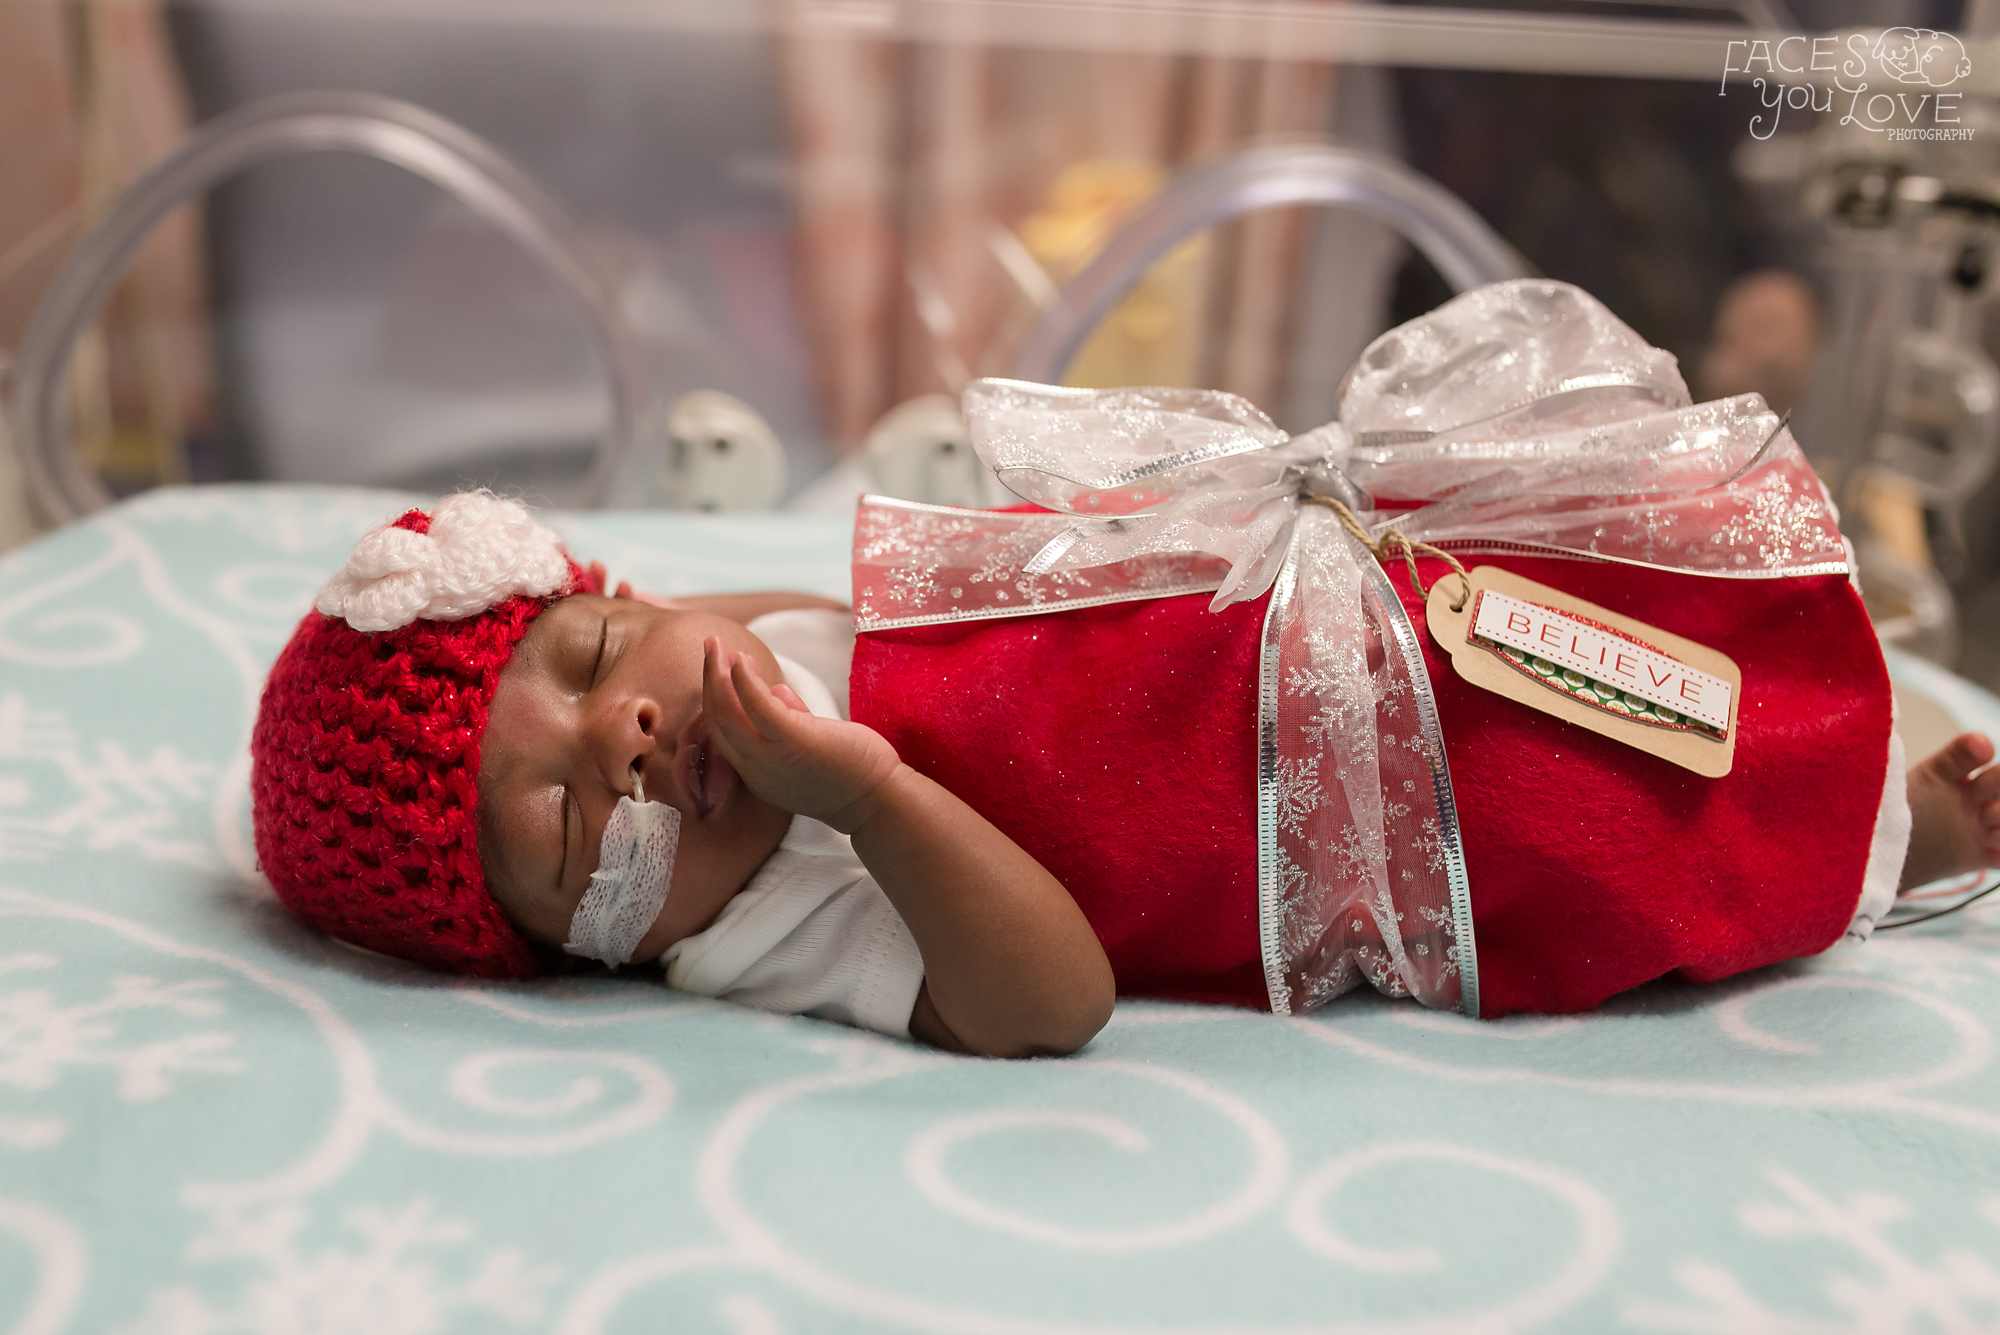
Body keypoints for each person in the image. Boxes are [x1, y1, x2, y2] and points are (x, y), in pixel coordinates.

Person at [249, 486, 2000, 1060]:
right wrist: (870, 796)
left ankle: (1803, 647)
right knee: (1575, 802)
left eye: (580, 670)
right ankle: (1886, 835)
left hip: (1253, 616)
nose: (620, 742)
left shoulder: (703, 673)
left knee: (1533, 593)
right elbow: (1045, 1002)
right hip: (1304, 806)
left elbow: (623, 644)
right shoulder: (756, 918)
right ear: (594, 952)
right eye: (564, 827)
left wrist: (624, 646)